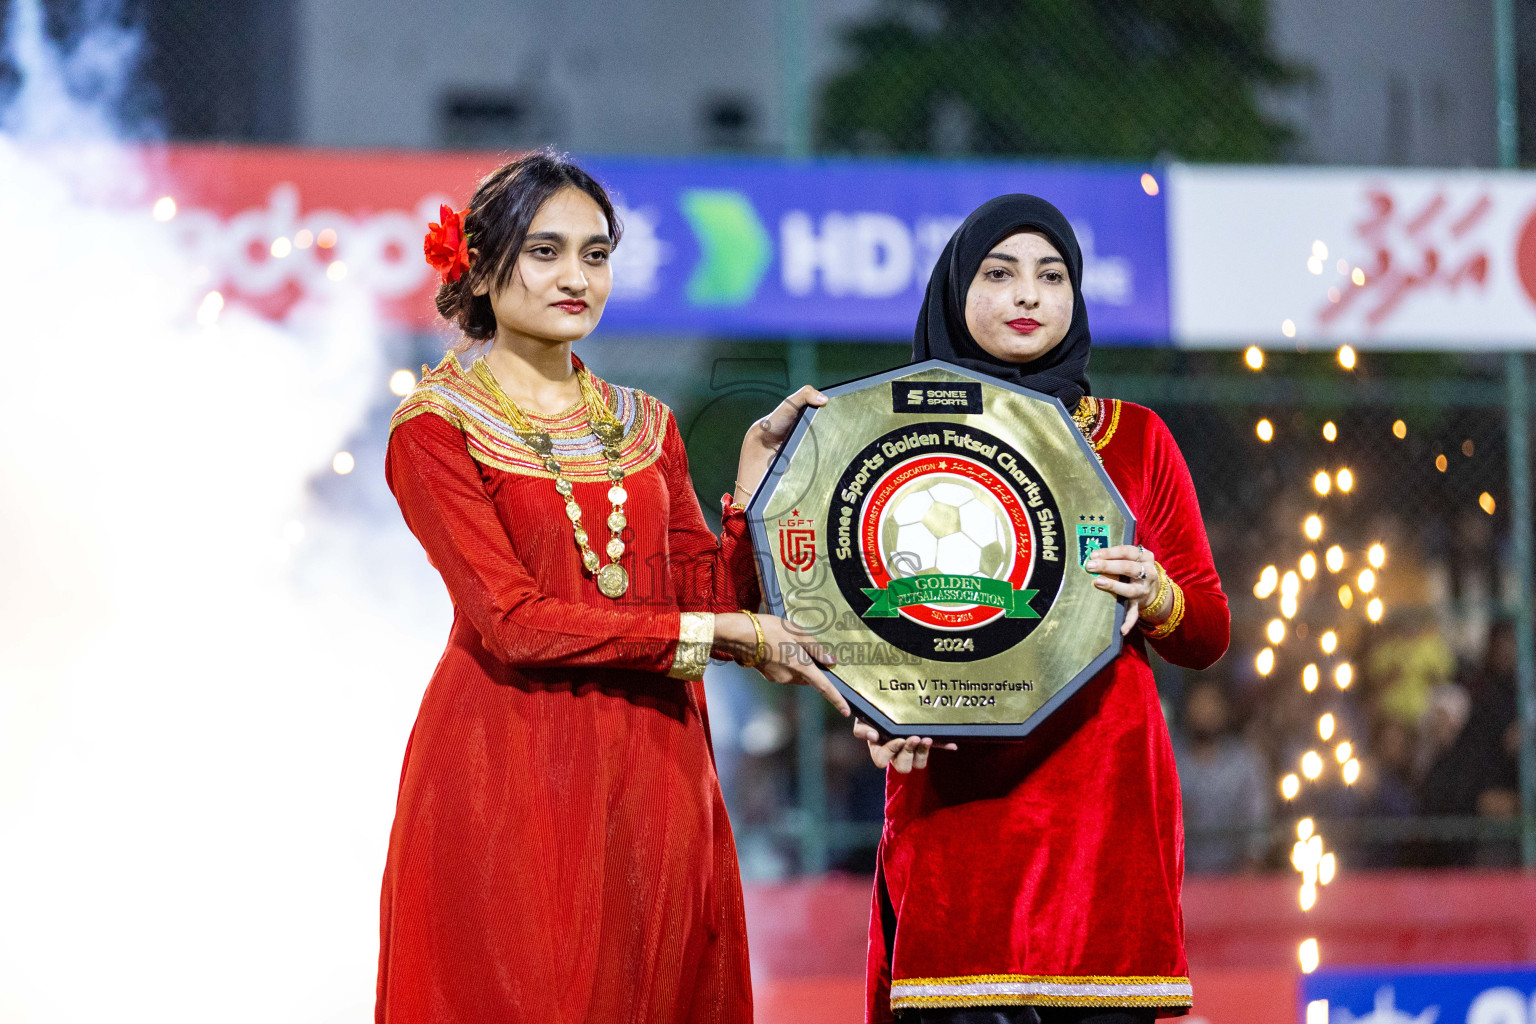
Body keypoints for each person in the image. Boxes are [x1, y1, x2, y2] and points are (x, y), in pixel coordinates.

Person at [375, 149, 847, 1023]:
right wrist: (725, 639)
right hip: (512, 764)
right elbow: (514, 622)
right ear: (480, 267)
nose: (577, 277)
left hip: (657, 768)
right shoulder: (435, 430)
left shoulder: (646, 421)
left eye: (596, 255)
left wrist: (751, 486)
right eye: (546, 251)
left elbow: (704, 591)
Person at [851, 195, 1230, 1024]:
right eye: (999, 273)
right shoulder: (887, 438)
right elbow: (852, 622)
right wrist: (874, 703)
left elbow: (1207, 632)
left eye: (1051, 276)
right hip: (958, 804)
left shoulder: (1136, 438)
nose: (1028, 295)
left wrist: (1157, 591)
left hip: (1104, 813)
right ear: (955, 292)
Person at [1175, 680, 1270, 873]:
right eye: (1198, 703)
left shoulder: (1245, 763)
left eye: (1211, 703)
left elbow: (1257, 825)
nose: (1204, 710)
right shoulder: (1168, 759)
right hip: (1180, 879)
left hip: (1232, 880)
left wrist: (1248, 871)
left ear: (1223, 709)